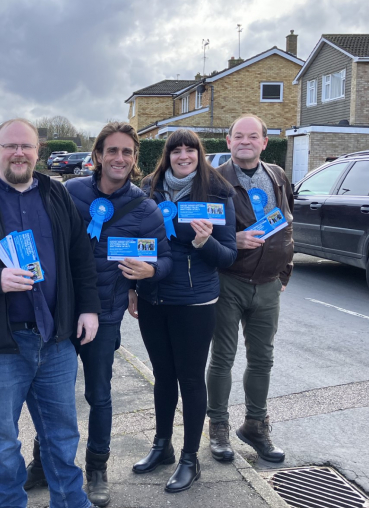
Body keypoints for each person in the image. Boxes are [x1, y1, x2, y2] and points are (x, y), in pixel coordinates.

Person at [0, 118, 102, 508]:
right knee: (3, 439)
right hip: (1, 344)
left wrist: (89, 309)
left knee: (62, 434)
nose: (18, 153)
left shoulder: (55, 195)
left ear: (37, 150)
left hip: (55, 340)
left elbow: (80, 256)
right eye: (10, 146)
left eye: (25, 146)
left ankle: (71, 503)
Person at [24, 121, 171, 507]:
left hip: (105, 315)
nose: (118, 158)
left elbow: (167, 257)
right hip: (59, 311)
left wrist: (150, 272)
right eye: (112, 151)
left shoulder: (145, 207)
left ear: (135, 159)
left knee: (99, 395)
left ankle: (98, 468)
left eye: (127, 152)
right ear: (98, 156)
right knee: (52, 395)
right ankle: (42, 462)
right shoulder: (69, 192)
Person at [132, 128, 237, 493]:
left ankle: (190, 459)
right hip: (153, 297)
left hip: (194, 300)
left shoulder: (218, 191)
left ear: (198, 153)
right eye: (175, 150)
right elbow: (136, 241)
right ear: (167, 155)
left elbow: (228, 256)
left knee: (190, 379)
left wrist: (204, 240)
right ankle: (162, 446)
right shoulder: (147, 188)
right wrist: (134, 287)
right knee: (162, 376)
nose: (182, 156)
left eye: (189, 150)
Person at [206, 114, 294, 464]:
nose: (245, 141)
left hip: (269, 284)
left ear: (264, 142)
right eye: (238, 136)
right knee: (222, 359)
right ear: (228, 142)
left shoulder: (277, 175)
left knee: (263, 360)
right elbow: (195, 228)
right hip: (230, 281)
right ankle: (219, 428)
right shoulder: (213, 180)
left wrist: (285, 272)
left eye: (252, 136)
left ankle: (255, 426)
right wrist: (232, 238)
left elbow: (287, 219)